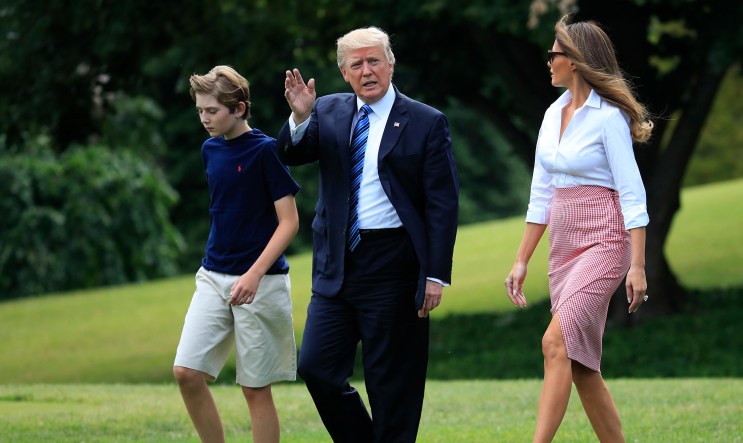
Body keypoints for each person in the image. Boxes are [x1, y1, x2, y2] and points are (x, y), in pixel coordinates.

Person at [278, 26, 459, 442]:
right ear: (344, 73)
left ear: (391, 64)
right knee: (317, 367)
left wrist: (435, 274)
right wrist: (302, 117)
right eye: (356, 64)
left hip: (395, 264)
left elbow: (442, 205)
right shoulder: (328, 111)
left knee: (391, 385)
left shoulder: (426, 122)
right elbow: (291, 153)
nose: (367, 71)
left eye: (374, 60)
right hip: (336, 264)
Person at [504, 16, 654, 443]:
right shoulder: (552, 115)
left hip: (606, 241)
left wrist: (638, 266)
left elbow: (632, 195)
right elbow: (540, 196)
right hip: (563, 245)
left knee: (555, 342)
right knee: (582, 364)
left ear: (576, 60)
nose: (548, 60)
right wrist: (520, 260)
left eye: (555, 52)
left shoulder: (608, 119)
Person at [173, 65, 301, 443]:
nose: (205, 119)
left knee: (255, 387)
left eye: (212, 111)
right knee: (186, 372)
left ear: (240, 109)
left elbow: (289, 223)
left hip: (261, 281)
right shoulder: (209, 150)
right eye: (200, 111)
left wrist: (254, 274)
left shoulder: (266, 151)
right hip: (213, 276)